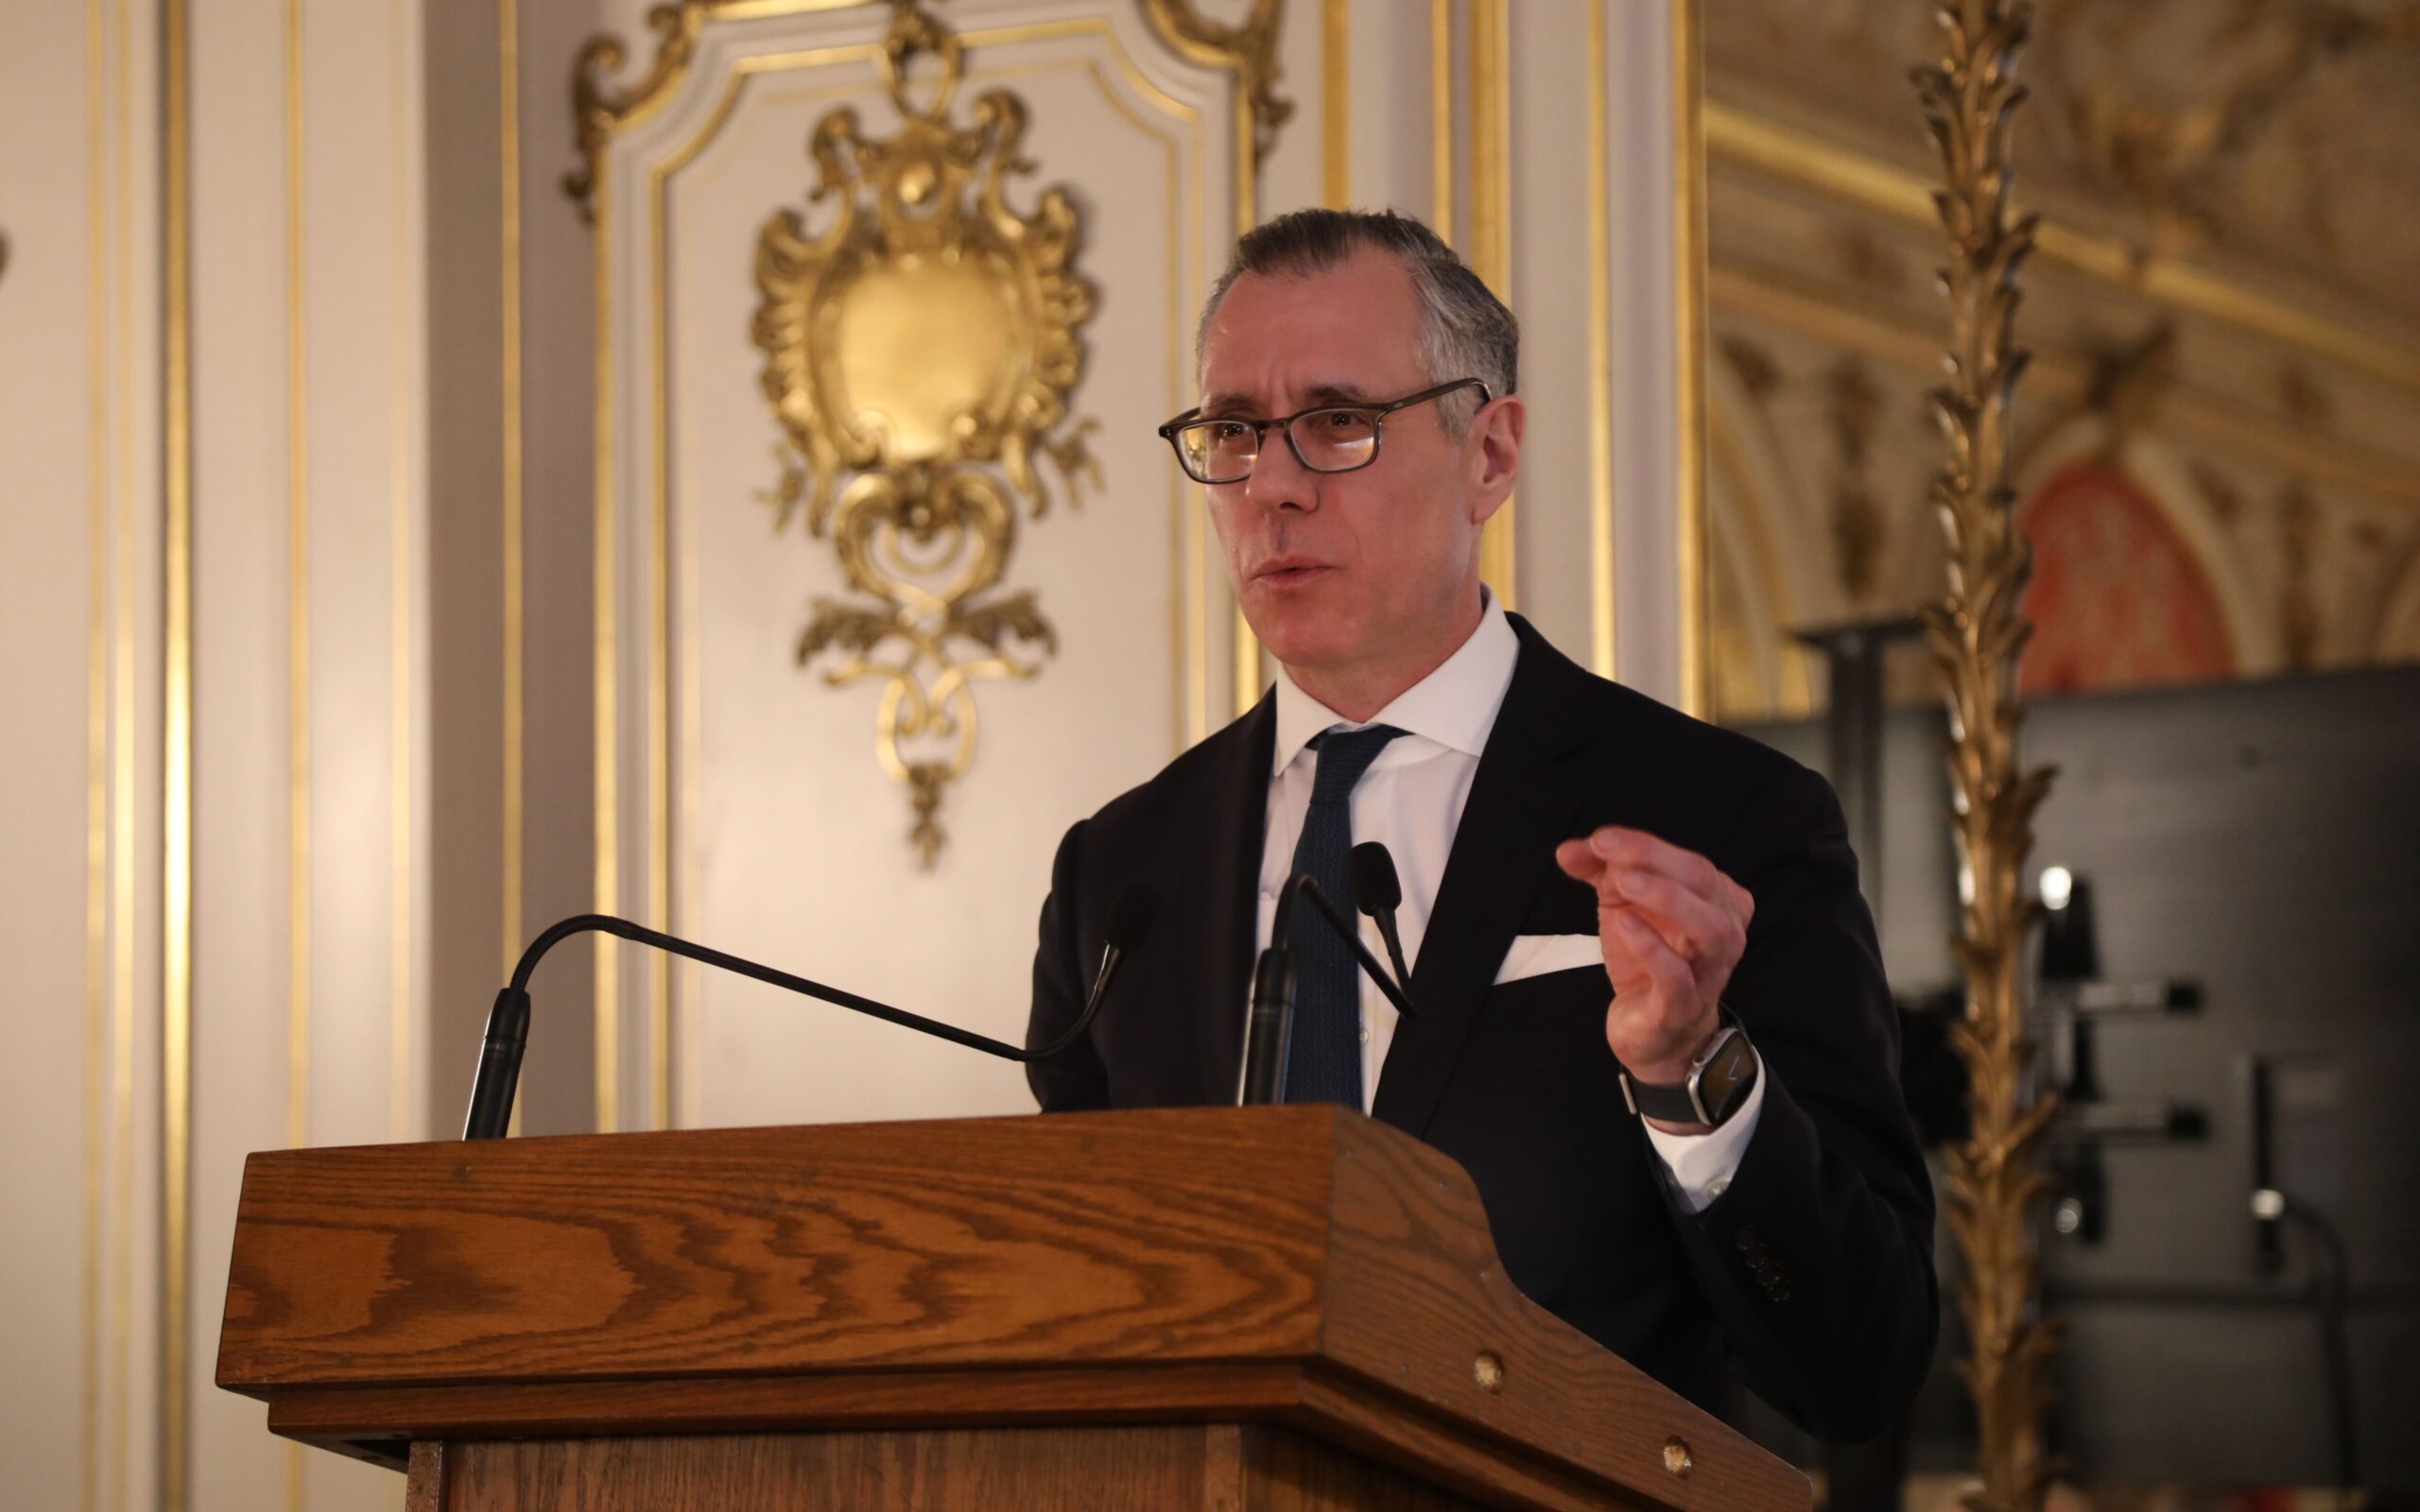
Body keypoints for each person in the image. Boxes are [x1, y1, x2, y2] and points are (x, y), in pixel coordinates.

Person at [1025, 208, 1935, 1440]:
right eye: (1233, 431)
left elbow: (1866, 1359)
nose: (1273, 487)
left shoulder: (1724, 820)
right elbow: (1078, 1317)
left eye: (1337, 422)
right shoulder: (1122, 870)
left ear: (1490, 456)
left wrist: (1690, 1074)